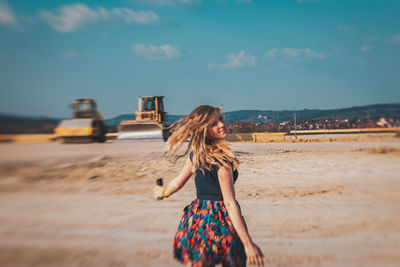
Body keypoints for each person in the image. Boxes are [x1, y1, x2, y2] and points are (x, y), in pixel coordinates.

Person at [153, 105, 264, 267]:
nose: (221, 124)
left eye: (221, 119)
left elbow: (178, 182)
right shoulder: (221, 160)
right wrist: (248, 244)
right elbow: (230, 203)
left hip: (198, 219)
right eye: (213, 123)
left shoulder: (196, 154)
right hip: (221, 221)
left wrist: (162, 192)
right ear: (203, 130)